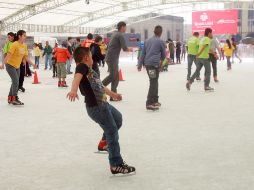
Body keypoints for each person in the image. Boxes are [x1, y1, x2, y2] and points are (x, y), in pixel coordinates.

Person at [67, 46, 136, 175]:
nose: (92, 59)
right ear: (86, 58)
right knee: (112, 131)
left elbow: (101, 86)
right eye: (91, 57)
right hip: (97, 107)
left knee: (118, 119)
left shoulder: (91, 71)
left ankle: (104, 142)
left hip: (103, 104)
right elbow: (77, 76)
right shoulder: (82, 67)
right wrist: (73, 90)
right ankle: (116, 164)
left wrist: (113, 95)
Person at [0, 30, 35, 105]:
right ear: (19, 36)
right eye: (24, 35)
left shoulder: (24, 45)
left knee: (15, 82)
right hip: (10, 65)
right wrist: (3, 64)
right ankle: (14, 98)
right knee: (16, 81)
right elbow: (8, 55)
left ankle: (10, 98)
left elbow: (26, 57)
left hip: (17, 66)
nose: (25, 37)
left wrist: (33, 64)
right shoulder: (15, 44)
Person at [138, 25, 166, 110]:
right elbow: (163, 56)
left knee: (154, 81)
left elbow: (142, 54)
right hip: (154, 65)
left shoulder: (147, 41)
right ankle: (149, 103)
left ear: (154, 31)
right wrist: (162, 65)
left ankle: (155, 101)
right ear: (161, 33)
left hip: (148, 65)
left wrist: (139, 64)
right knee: (153, 82)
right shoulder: (160, 41)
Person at [102, 21, 132, 99]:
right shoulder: (119, 35)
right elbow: (124, 48)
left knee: (116, 76)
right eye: (125, 27)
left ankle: (113, 95)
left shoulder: (114, 34)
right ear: (122, 27)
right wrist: (130, 49)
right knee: (113, 76)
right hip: (112, 58)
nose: (126, 29)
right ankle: (99, 87)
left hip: (111, 57)